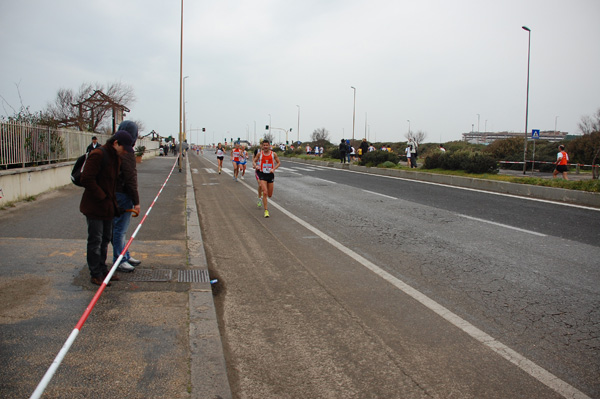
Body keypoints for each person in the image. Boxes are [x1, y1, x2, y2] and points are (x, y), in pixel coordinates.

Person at [80, 131, 133, 286]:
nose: (125, 152)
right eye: (124, 148)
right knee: (95, 240)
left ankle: (103, 271)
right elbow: (86, 179)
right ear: (116, 143)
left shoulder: (116, 157)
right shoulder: (98, 154)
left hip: (108, 206)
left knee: (105, 239)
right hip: (95, 206)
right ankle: (95, 273)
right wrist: (102, 197)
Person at [112, 121, 142, 273]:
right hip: (123, 194)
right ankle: (120, 259)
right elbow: (130, 178)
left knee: (120, 229)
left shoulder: (117, 149)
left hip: (118, 193)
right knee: (120, 229)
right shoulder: (126, 152)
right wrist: (136, 202)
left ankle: (125, 255)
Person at [253, 140, 281, 218]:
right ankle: (266, 211)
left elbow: (279, 162)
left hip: (270, 175)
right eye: (264, 145)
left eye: (266, 145)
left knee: (270, 195)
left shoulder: (273, 154)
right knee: (265, 192)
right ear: (262, 146)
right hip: (262, 174)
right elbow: (254, 161)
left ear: (269, 146)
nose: (265, 147)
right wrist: (256, 166)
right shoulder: (259, 154)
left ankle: (263, 196)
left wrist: (274, 169)